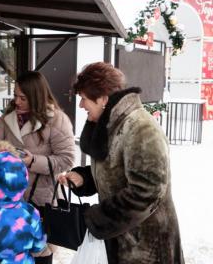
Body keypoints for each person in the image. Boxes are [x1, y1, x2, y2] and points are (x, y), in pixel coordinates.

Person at [58, 62, 184, 264]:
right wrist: (84, 178)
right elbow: (116, 171)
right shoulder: (111, 125)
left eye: (83, 99)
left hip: (147, 246)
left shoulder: (141, 128)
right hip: (124, 241)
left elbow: (147, 191)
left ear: (103, 99)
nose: (81, 105)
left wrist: (99, 218)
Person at [0, 71, 76, 263]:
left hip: (41, 200)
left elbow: (67, 160)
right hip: (7, 199)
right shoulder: (10, 119)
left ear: (36, 97)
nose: (17, 101)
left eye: (22, 97)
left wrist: (33, 161)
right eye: (15, 95)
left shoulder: (57, 120)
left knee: (41, 252)